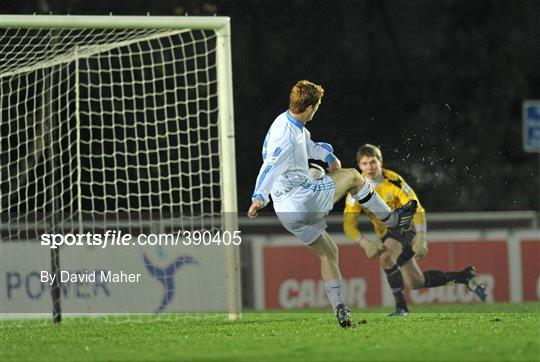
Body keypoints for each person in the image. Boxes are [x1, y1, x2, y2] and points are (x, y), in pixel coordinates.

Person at [247, 80, 416, 327]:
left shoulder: (286, 122)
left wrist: (328, 156)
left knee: (329, 252)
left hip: (286, 212)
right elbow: (269, 167)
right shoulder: (287, 137)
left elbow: (309, 145)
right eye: (317, 105)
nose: (318, 109)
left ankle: (341, 308)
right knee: (354, 177)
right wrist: (258, 197)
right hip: (301, 200)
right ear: (310, 108)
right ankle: (392, 219)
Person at [343, 144, 487, 316]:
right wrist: (364, 242)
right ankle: (463, 277)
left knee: (386, 258)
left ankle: (401, 308)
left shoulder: (393, 181)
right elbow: (348, 224)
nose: (369, 167)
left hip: (403, 225)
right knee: (416, 282)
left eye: (373, 162)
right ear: (359, 166)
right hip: (385, 234)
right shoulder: (356, 190)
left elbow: (416, 206)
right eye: (365, 163)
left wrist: (420, 236)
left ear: (380, 162)